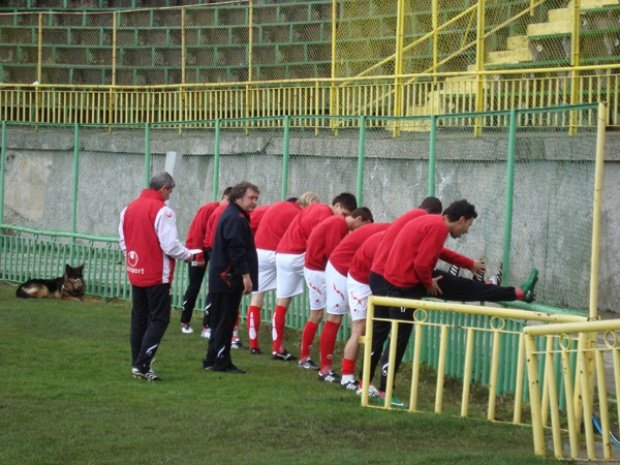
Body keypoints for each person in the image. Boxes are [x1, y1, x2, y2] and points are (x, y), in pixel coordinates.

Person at [376, 199, 538, 400]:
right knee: (398, 340)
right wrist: (428, 282)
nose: (466, 232)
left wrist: (468, 263)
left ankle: (513, 292)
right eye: (468, 226)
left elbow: (437, 253)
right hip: (406, 285)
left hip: (403, 280)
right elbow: (420, 264)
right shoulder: (437, 228)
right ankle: (384, 390)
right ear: (461, 219)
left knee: (464, 287)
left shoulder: (434, 223)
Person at [119, 171, 199, 381]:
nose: (169, 195)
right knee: (159, 319)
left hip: (136, 271)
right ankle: (143, 363)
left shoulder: (128, 208)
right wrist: (189, 256)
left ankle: (137, 362)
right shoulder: (163, 211)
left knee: (139, 318)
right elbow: (170, 245)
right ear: (163, 188)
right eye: (169, 191)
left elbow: (123, 240)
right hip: (157, 274)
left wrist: (133, 259)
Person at [272, 193, 358, 361]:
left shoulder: (314, 209)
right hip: (300, 255)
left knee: (282, 303)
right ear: (337, 206)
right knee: (324, 311)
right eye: (345, 214)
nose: (345, 219)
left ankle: (277, 348)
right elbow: (318, 242)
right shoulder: (328, 216)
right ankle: (306, 357)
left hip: (282, 253)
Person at [299, 207, 374, 379]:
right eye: (364, 226)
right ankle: (316, 363)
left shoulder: (337, 223)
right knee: (325, 316)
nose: (361, 231)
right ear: (359, 219)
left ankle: (308, 358)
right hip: (318, 270)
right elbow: (334, 252)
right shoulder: (338, 224)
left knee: (322, 316)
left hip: (319, 268)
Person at [314, 220, 389, 385]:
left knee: (361, 327)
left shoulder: (392, 231)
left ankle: (349, 373)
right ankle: (325, 369)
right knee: (335, 318)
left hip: (357, 272)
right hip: (340, 268)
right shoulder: (390, 234)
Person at [246, 193, 320, 354]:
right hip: (280, 253)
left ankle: (253, 344)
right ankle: (277, 347)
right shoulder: (300, 214)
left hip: (258, 251)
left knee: (256, 298)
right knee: (282, 301)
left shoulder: (276, 206)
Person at [203, 181, 260, 374]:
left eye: (256, 199)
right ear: (238, 197)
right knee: (225, 321)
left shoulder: (234, 215)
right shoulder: (236, 218)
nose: (254, 202)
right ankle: (221, 361)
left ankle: (212, 359)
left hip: (222, 275)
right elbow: (236, 249)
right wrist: (246, 275)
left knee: (221, 319)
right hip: (227, 277)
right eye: (251, 198)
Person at [179, 187, 232, 334]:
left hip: (213, 250)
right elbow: (196, 232)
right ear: (223, 198)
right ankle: (185, 321)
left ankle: (208, 324)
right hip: (197, 249)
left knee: (214, 287)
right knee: (194, 285)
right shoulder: (208, 209)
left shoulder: (229, 213)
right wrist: (198, 256)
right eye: (228, 201)